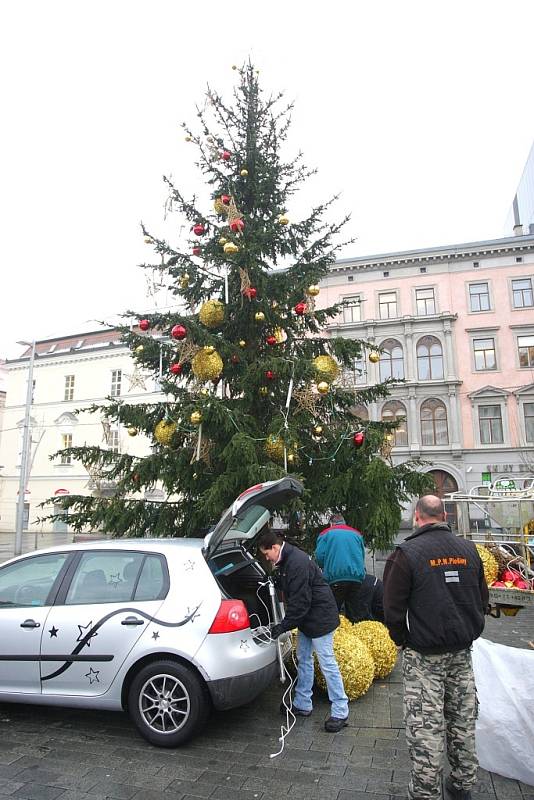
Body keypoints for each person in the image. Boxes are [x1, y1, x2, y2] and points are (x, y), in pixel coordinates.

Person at [383, 495, 489, 800]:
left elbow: (391, 610)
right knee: (462, 721)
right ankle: (462, 785)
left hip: (424, 657)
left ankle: (426, 793)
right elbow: (482, 600)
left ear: (417, 516)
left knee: (425, 729)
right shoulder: (469, 550)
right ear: (444, 515)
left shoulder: (406, 554)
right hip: (462, 654)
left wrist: (403, 639)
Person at [257, 528, 349, 733]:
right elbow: (292, 587)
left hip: (320, 617)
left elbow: (300, 603)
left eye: (266, 554)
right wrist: (277, 580)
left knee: (327, 663)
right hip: (309, 618)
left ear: (274, 547)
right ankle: (303, 703)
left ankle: (341, 711)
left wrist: (282, 626)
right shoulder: (286, 559)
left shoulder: (295, 562)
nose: (266, 558)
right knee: (303, 657)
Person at [315, 513, 366, 622]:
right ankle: (355, 633)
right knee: (354, 612)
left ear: (331, 524)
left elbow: (319, 556)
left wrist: (325, 566)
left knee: (333, 612)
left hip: (336, 577)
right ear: (344, 522)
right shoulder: (356, 534)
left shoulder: (326, 534)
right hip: (356, 578)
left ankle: (336, 636)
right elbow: (361, 555)